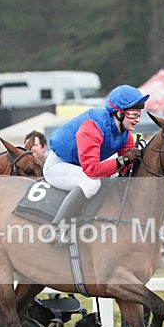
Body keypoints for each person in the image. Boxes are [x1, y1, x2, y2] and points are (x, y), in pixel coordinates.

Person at [43, 84, 147, 245]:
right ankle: (56, 229)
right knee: (91, 182)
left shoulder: (126, 136)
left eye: (139, 114)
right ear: (119, 113)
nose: (138, 119)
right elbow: (92, 171)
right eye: (134, 114)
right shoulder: (92, 126)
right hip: (57, 165)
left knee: (111, 178)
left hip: (79, 166)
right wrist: (125, 159)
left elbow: (123, 173)